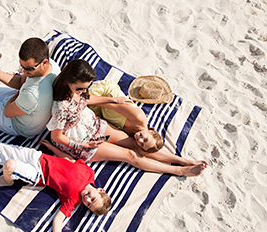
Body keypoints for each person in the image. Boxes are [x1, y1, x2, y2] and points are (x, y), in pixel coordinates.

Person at [47, 59, 208, 176]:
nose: (83, 91)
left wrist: (113, 99)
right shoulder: (61, 106)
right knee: (130, 155)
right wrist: (84, 144)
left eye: (86, 87)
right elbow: (57, 136)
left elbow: (86, 100)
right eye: (81, 88)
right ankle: (178, 170)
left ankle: (182, 160)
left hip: (93, 124)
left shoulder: (77, 90)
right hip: (80, 141)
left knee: (135, 144)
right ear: (69, 80)